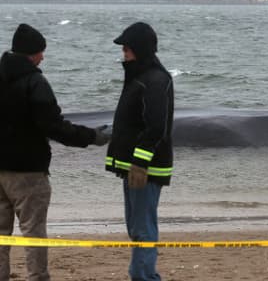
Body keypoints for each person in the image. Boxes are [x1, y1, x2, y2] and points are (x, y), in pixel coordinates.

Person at [0, 24, 110, 281]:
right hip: (28, 171)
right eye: (40, 52)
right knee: (33, 233)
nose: (43, 57)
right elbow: (55, 126)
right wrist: (92, 137)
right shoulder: (35, 81)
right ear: (31, 54)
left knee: (0, 234)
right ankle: (37, 277)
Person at [106, 22, 174, 281]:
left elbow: (157, 127)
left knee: (143, 227)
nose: (124, 52)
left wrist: (139, 161)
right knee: (135, 226)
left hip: (146, 168)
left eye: (127, 48)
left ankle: (144, 277)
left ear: (139, 49)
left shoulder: (156, 80)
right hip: (132, 166)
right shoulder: (138, 76)